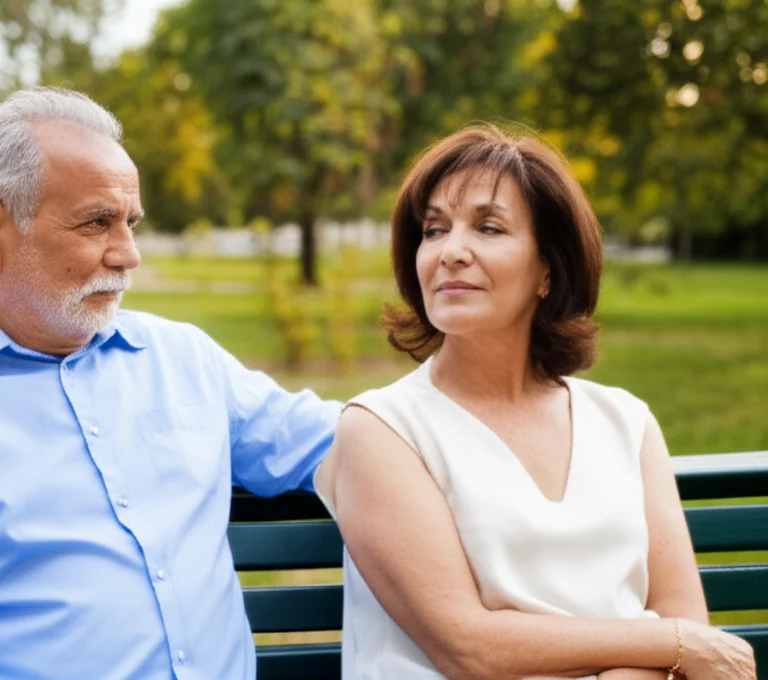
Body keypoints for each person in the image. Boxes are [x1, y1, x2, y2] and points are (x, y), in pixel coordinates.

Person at [0, 87, 340, 680]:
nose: (129, 255)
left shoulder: (182, 359)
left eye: (131, 223)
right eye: (99, 222)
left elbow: (349, 443)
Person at [314, 125, 756, 680]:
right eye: (433, 229)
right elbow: (468, 646)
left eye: (489, 227)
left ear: (547, 267)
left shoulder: (625, 422)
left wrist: (640, 666)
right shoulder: (382, 430)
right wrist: (664, 644)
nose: (451, 252)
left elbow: (683, 621)